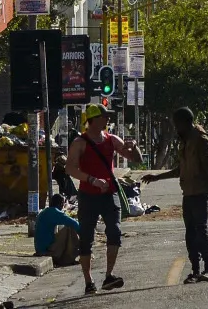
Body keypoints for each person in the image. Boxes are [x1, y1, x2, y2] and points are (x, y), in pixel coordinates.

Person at [142, 107, 208, 282]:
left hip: (200, 194)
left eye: (177, 124)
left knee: (201, 230)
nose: (176, 128)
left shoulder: (201, 141)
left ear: (185, 122)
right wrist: (156, 177)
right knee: (190, 234)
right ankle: (195, 270)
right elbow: (180, 170)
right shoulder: (185, 141)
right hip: (188, 194)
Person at [68, 104, 141, 294]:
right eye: (103, 116)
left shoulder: (111, 139)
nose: (107, 119)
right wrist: (92, 180)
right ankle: (88, 281)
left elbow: (135, 159)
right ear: (93, 119)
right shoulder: (79, 142)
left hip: (109, 194)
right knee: (86, 239)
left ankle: (109, 276)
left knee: (115, 232)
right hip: (88, 196)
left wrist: (134, 147)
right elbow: (70, 168)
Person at [33, 194, 84, 267]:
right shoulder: (54, 212)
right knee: (69, 228)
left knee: (62, 227)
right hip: (47, 250)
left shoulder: (45, 211)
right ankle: (70, 256)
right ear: (61, 203)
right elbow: (74, 224)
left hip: (40, 248)